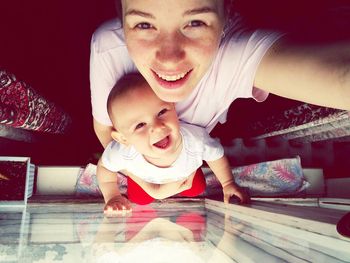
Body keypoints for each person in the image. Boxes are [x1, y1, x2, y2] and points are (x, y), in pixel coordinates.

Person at [90, 0, 350, 148]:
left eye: (195, 22)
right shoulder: (109, 48)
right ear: (121, 17)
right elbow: (105, 130)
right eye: (144, 24)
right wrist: (145, 178)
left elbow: (341, 76)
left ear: (227, 13)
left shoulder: (232, 54)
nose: (169, 59)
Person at [97, 72, 249, 215]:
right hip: (145, 178)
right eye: (140, 125)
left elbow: (216, 156)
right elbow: (104, 167)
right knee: (140, 200)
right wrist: (112, 196)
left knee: (197, 189)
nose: (157, 127)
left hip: (185, 174)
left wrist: (228, 183)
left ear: (173, 106)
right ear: (124, 139)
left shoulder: (195, 140)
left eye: (162, 112)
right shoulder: (123, 152)